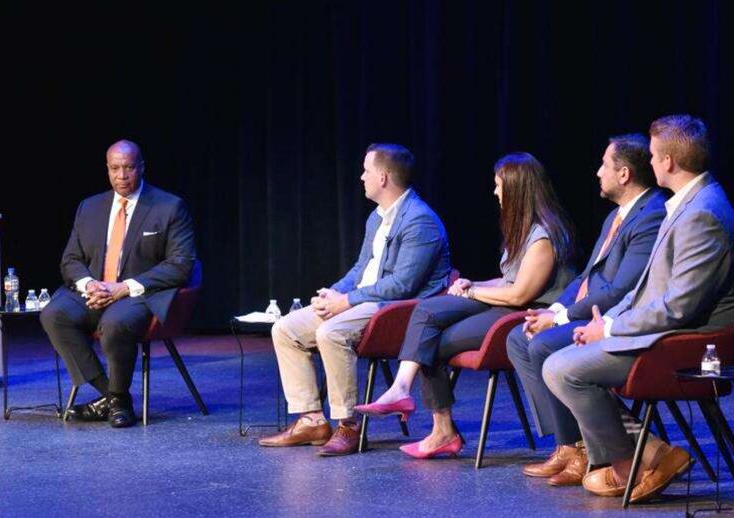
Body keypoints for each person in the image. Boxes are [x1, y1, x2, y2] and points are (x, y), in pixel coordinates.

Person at [543, 115, 734, 504]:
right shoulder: (689, 203)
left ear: (667, 163)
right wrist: (609, 321)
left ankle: (629, 464)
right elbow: (648, 285)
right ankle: (651, 453)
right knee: (563, 358)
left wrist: (611, 331)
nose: (649, 161)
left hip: (691, 343)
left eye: (652, 155)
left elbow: (679, 307)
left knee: (563, 367)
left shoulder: (702, 213)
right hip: (667, 330)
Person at [356, 152, 575, 458]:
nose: (496, 192)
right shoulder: (523, 229)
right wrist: (474, 284)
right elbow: (507, 280)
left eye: (499, 186)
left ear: (517, 189)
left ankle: (437, 427)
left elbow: (519, 296)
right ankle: (413, 401)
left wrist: (473, 295)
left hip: (527, 315)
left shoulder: (543, 237)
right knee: (428, 311)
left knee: (432, 342)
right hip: (505, 305)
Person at [259, 143, 451, 456]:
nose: (361, 177)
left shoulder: (420, 220)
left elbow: (403, 285)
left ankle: (347, 425)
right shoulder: (377, 218)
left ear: (384, 177)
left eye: (367, 171)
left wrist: (346, 301)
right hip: (365, 301)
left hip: (397, 310)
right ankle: (311, 420)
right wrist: (331, 294)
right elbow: (363, 269)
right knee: (286, 328)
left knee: (331, 332)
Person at [506, 134, 667, 486]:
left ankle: (587, 449)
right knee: (519, 338)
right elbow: (586, 275)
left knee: (543, 344)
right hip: (589, 310)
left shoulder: (651, 216)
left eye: (604, 166)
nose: (597, 173)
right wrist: (554, 311)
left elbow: (621, 289)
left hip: (616, 317)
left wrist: (561, 318)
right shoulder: (615, 217)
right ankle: (569, 446)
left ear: (623, 174)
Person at [40, 140, 197, 428]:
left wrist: (123, 288)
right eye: (115, 168)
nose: (121, 176)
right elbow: (70, 259)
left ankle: (112, 400)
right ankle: (115, 398)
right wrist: (90, 285)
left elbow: (180, 264)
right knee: (54, 314)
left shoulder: (169, 207)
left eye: (128, 168)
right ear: (107, 169)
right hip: (96, 292)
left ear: (141, 167)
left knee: (115, 323)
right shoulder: (89, 207)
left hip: (139, 295)